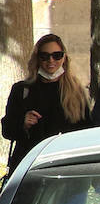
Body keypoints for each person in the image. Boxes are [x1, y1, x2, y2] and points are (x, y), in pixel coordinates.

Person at [3, 34, 92, 170]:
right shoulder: (22, 90)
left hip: (65, 164)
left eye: (57, 55)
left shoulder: (76, 92)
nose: (51, 60)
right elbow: (7, 130)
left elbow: (87, 130)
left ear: (64, 58)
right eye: (45, 56)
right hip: (30, 164)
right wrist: (23, 123)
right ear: (37, 58)